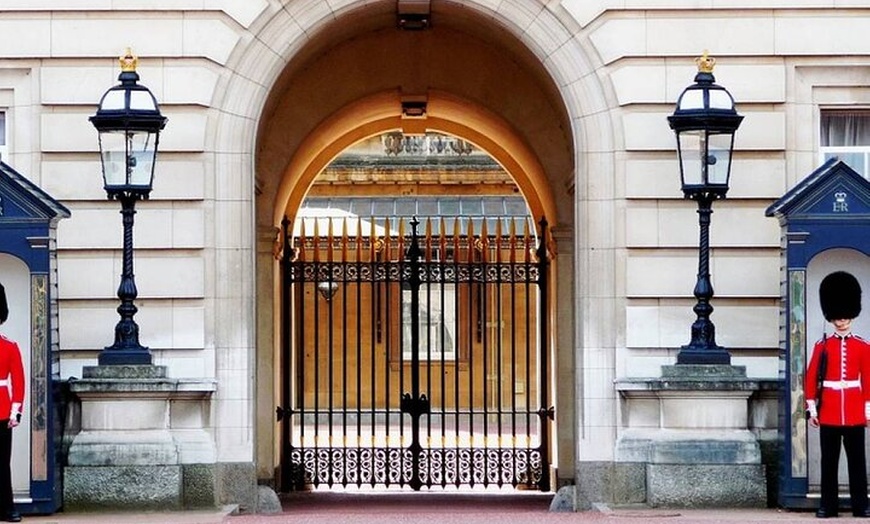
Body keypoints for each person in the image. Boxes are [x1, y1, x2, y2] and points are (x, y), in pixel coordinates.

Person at [805, 271, 870, 519]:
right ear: (831, 318)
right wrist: (812, 408)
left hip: (853, 411)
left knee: (857, 463)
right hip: (829, 411)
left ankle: (861, 505)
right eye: (837, 318)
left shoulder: (863, 346)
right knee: (828, 463)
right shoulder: (822, 346)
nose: (841, 321)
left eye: (845, 317)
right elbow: (811, 377)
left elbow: (869, 380)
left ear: (851, 316)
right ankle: (827, 506)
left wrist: (867, 410)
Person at [0, 284, 23, 523]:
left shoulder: (9, 346)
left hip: (1, 411)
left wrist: (15, 412)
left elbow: (19, 382)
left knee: (1, 464)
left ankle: (7, 507)